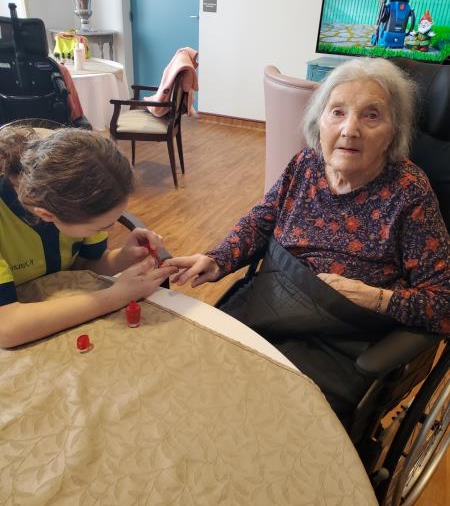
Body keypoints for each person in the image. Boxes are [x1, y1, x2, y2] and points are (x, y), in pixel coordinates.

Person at [163, 57, 450, 421]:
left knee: (258, 417)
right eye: (337, 112)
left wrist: (377, 298)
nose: (349, 129)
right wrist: (217, 258)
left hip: (342, 343)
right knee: (192, 379)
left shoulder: (409, 193)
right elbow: (261, 221)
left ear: (394, 131)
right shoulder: (305, 165)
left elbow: (443, 302)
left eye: (371, 115)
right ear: (319, 121)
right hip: (268, 310)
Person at [0, 126, 177, 348]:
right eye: (102, 226)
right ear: (46, 215)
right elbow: (7, 328)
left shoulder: (66, 198)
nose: (111, 229)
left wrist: (124, 256)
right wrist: (117, 296)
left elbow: (84, 264)